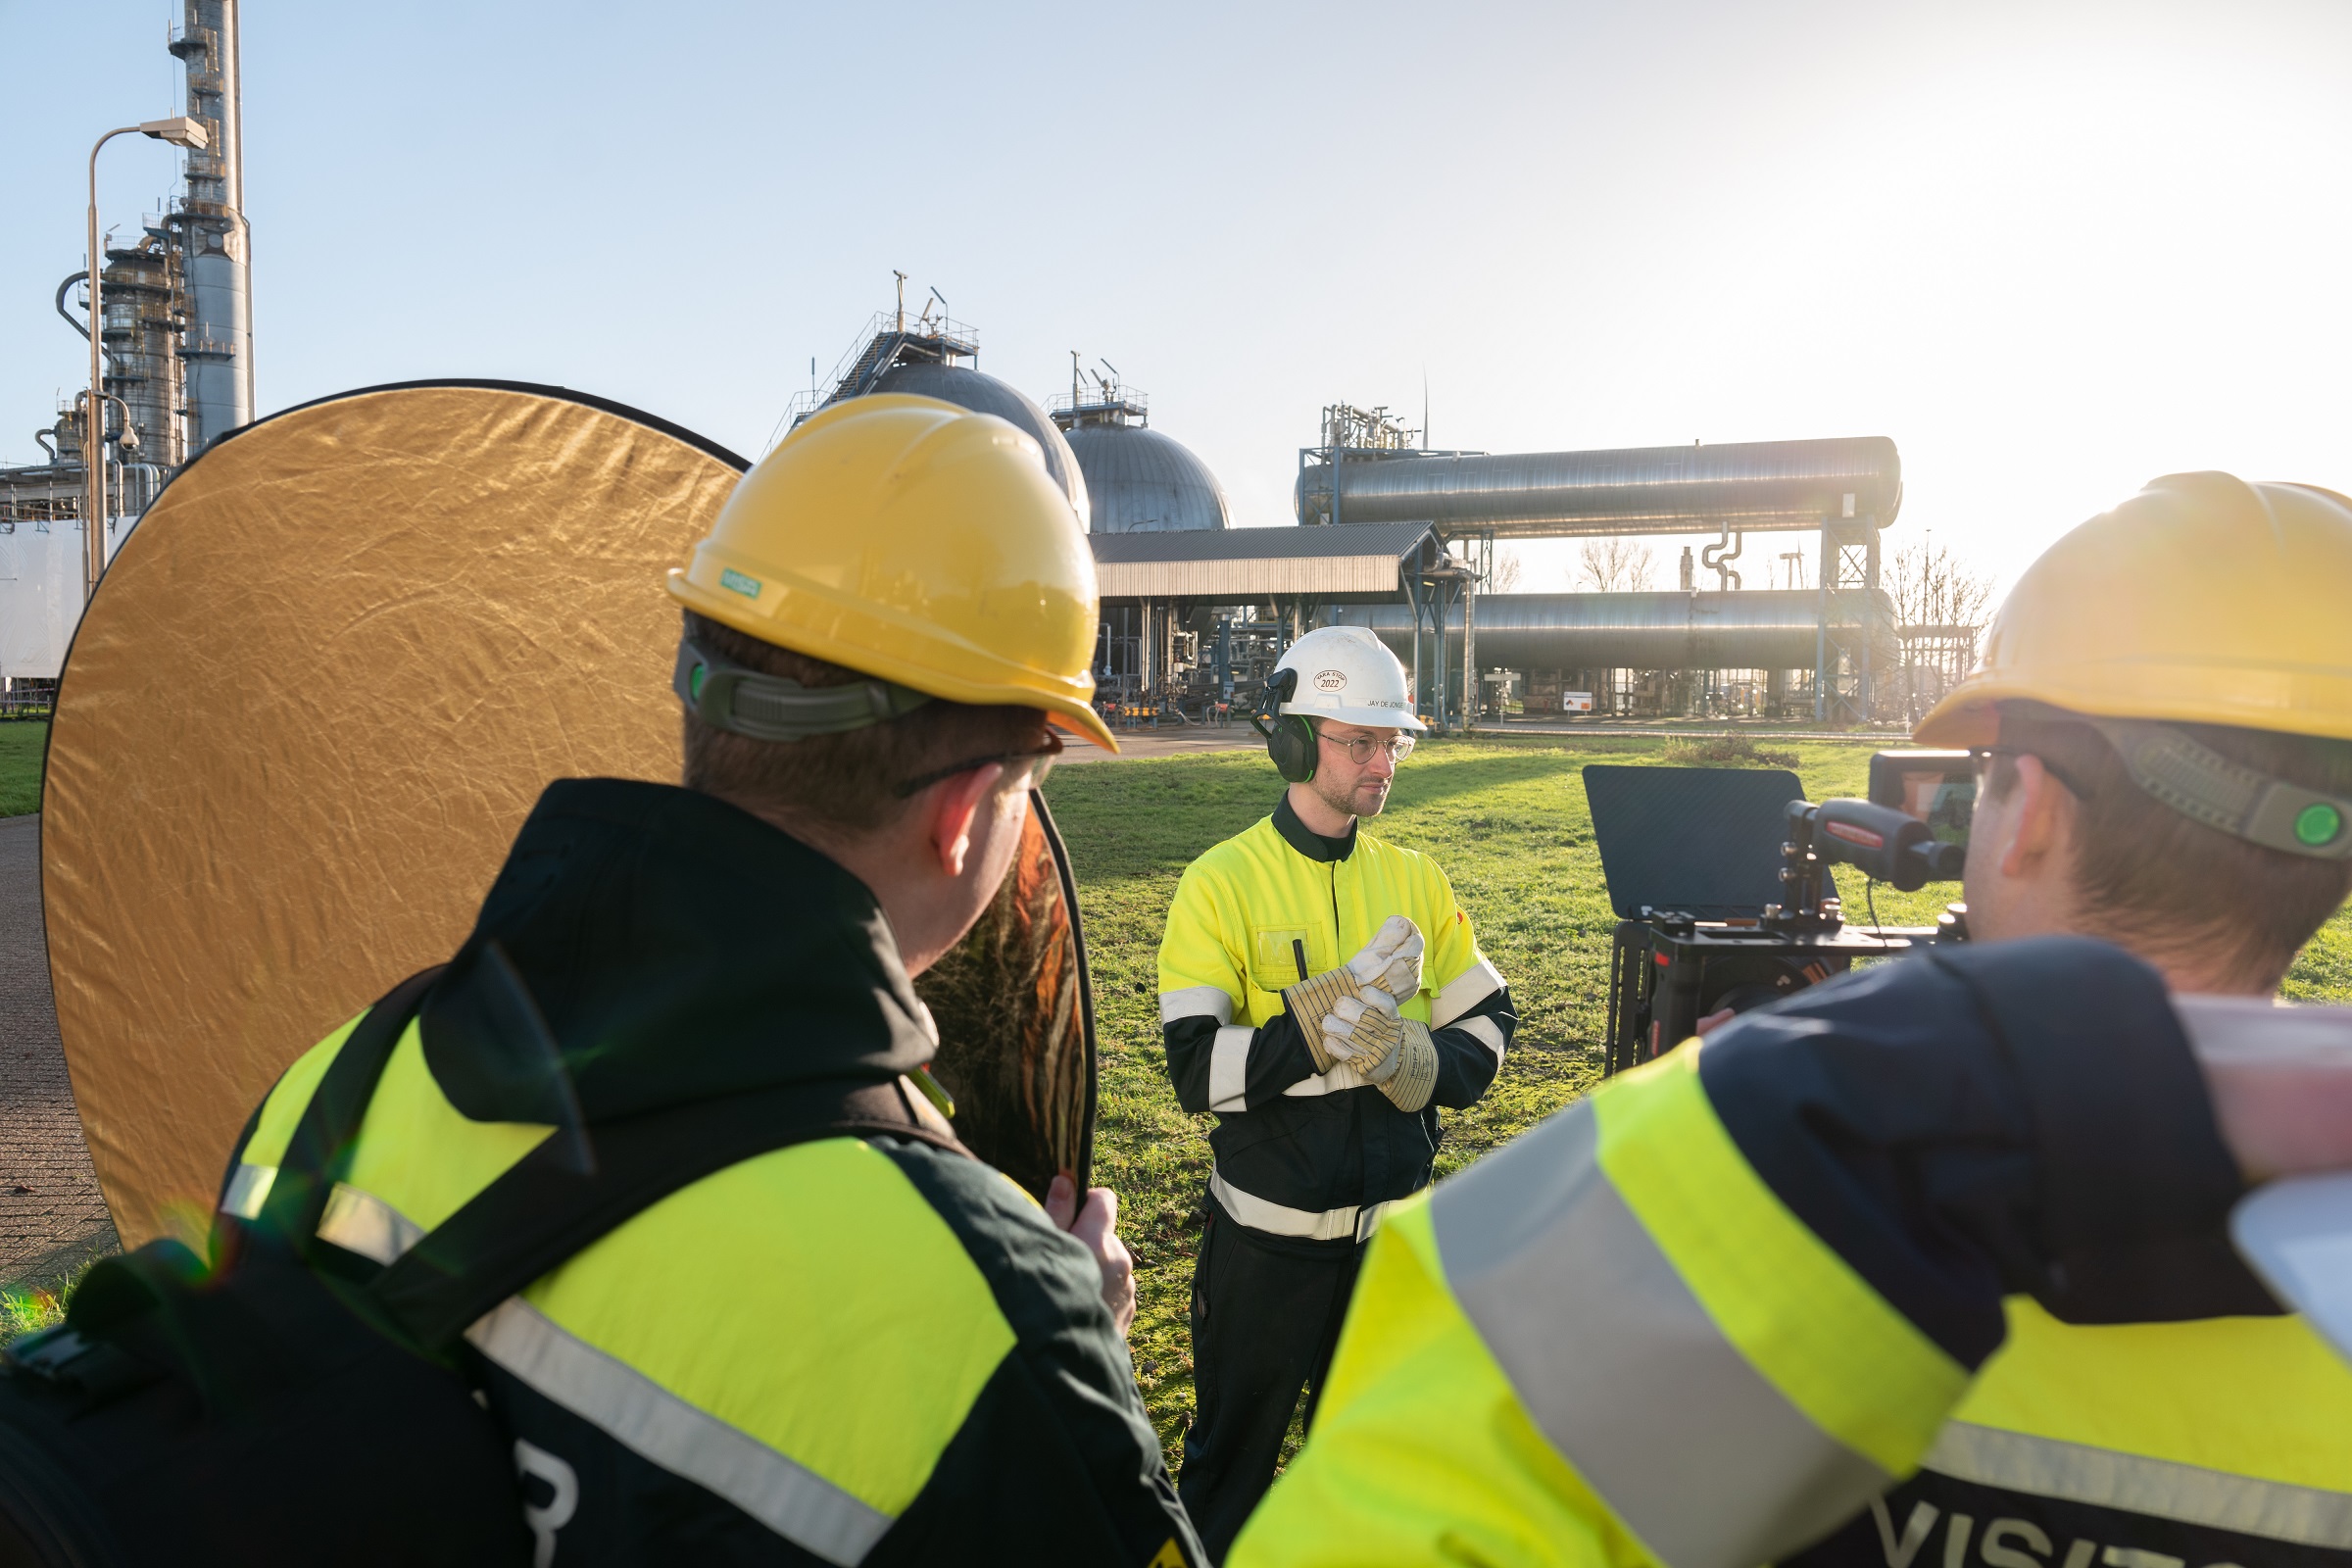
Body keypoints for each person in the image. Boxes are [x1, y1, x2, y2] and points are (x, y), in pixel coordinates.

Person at [1228, 473, 2352, 1567]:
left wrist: (1711, 1155)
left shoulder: (1730, 1185)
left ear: (2034, 816)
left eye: (1988, 775)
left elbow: (1404, 1509)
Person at [216, 394, 1203, 1566]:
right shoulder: (993, 1318)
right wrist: (1072, 1349)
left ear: (698, 695)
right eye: (1033, 779)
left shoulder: (335, 1078)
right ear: (959, 814)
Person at [1155, 624, 1518, 1558]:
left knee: (1366, 1486)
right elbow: (1197, 1071)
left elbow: (1489, 1024)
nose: (1381, 761)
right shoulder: (1218, 884)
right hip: (1263, 1256)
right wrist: (1320, 1024)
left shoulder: (1416, 881)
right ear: (1291, 741)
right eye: (1359, 740)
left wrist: (1419, 1063)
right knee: (1226, 1476)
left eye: (1391, 740)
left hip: (1391, 1255)